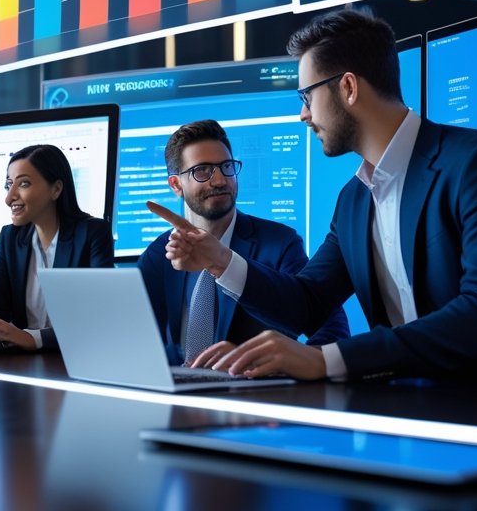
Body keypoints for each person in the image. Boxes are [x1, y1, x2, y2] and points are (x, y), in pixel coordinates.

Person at [163, 8, 477, 391]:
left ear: (348, 87)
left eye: (307, 96)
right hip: (417, 410)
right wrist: (220, 259)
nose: (303, 114)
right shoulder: (354, 200)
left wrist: (327, 360)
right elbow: (307, 303)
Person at [139, 120, 349, 366]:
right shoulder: (160, 253)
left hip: (252, 387)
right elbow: (132, 337)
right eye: (202, 170)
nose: (220, 180)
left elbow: (332, 327)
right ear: (176, 185)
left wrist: (277, 364)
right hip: (178, 386)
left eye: (226, 167)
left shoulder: (280, 244)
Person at [0, 144, 113, 351]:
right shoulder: (9, 238)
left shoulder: (93, 233)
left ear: (56, 189)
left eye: (23, 184)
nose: (9, 198)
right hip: (22, 363)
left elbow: (99, 320)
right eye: (9, 185)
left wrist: (32, 338)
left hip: (77, 359)